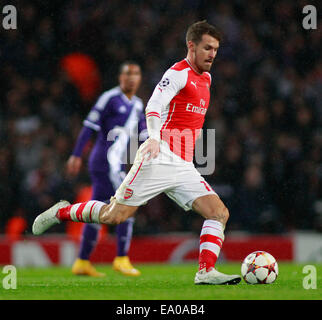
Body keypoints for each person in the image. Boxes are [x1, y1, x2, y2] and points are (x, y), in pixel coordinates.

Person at [33, 21, 241, 285]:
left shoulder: (207, 78)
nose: (213, 54)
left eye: (216, 49)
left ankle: (206, 271)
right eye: (207, 48)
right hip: (159, 157)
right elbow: (154, 106)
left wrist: (195, 134)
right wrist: (154, 138)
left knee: (219, 213)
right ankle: (61, 212)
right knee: (114, 215)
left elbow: (189, 114)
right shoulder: (177, 73)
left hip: (184, 164)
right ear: (191, 46)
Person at [66, 61, 147, 277]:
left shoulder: (138, 105)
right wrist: (76, 154)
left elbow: (143, 135)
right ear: (120, 78)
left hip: (117, 164)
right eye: (127, 74)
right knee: (127, 203)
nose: (131, 78)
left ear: (139, 79)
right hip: (104, 161)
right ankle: (122, 258)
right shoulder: (109, 98)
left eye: (135, 74)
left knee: (98, 210)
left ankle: (82, 262)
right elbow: (89, 126)